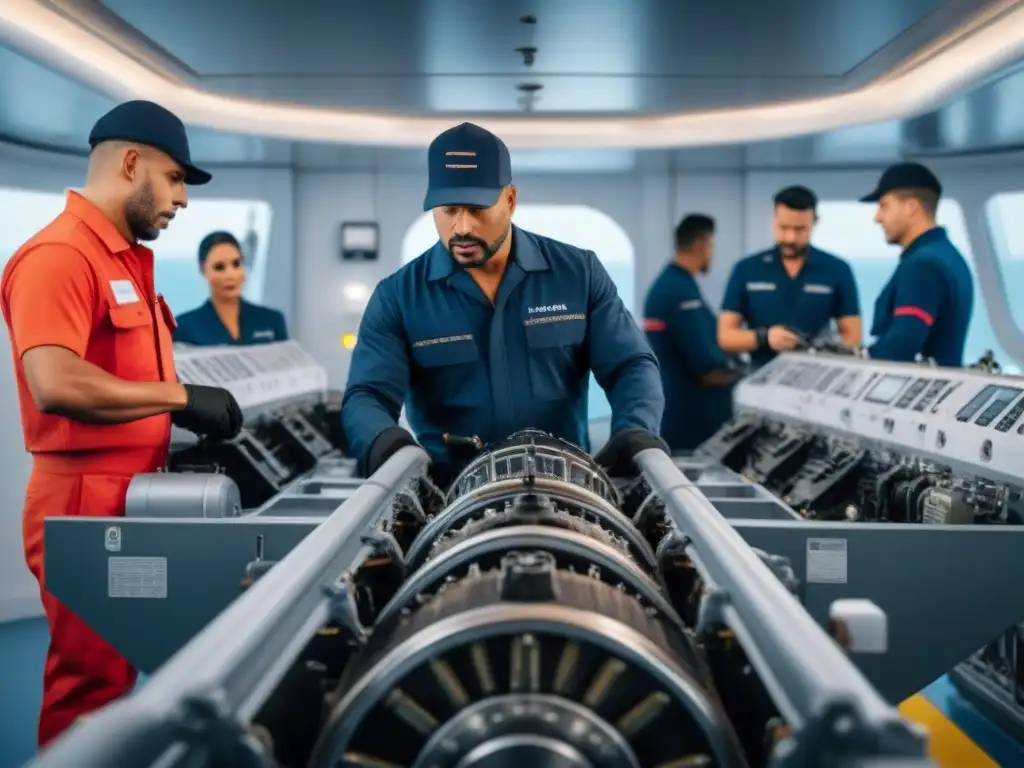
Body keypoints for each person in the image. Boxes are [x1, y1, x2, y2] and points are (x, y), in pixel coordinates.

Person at [0, 100, 244, 748]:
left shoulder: (125, 259)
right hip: (83, 500)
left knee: (123, 675)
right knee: (92, 685)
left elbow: (122, 381)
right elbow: (53, 382)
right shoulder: (59, 256)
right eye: (174, 178)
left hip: (133, 492)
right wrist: (178, 398)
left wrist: (176, 432)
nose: (182, 200)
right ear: (131, 163)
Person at [341, 122, 666, 486]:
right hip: (449, 496)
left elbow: (630, 365)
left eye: (477, 209)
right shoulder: (398, 296)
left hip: (565, 488)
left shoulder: (579, 274)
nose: (461, 227)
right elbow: (367, 395)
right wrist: (390, 448)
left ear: (510, 200)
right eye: (448, 210)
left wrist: (635, 430)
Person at [718, 186, 862, 367]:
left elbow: (853, 337)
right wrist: (764, 337)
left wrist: (819, 350)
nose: (790, 238)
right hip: (760, 380)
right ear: (773, 219)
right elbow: (725, 336)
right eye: (783, 227)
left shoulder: (837, 269)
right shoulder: (746, 269)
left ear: (814, 223)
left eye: (800, 229)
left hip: (815, 379)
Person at [860, 162, 973, 366]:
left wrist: (861, 357)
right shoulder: (947, 255)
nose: (877, 217)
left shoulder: (923, 265)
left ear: (911, 207)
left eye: (884, 205)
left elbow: (902, 344)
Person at [643, 215, 736, 451]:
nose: (711, 253)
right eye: (711, 245)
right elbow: (707, 366)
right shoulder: (680, 293)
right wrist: (749, 376)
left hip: (674, 411)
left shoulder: (668, 285)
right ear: (701, 244)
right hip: (691, 422)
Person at [173, 231, 288, 345]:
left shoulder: (272, 320)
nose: (230, 275)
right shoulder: (184, 327)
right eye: (219, 267)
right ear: (203, 270)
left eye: (236, 264)